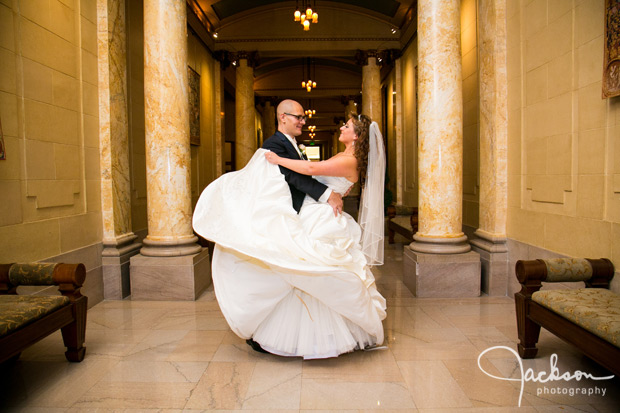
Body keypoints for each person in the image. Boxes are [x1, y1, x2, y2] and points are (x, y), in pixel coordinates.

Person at [192, 110, 386, 360]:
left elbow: (311, 168)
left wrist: (278, 160)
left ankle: (321, 337)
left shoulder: (349, 161)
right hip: (314, 211)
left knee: (309, 270)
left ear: (357, 136)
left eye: (346, 126)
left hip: (322, 217)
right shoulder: (343, 155)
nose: (341, 128)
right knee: (299, 266)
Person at [262, 99, 344, 216]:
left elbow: (306, 173)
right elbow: (293, 176)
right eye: (298, 117)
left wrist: (336, 185)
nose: (303, 122)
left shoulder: (293, 143)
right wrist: (328, 194)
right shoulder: (274, 144)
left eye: (303, 118)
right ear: (283, 117)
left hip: (302, 202)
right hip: (287, 208)